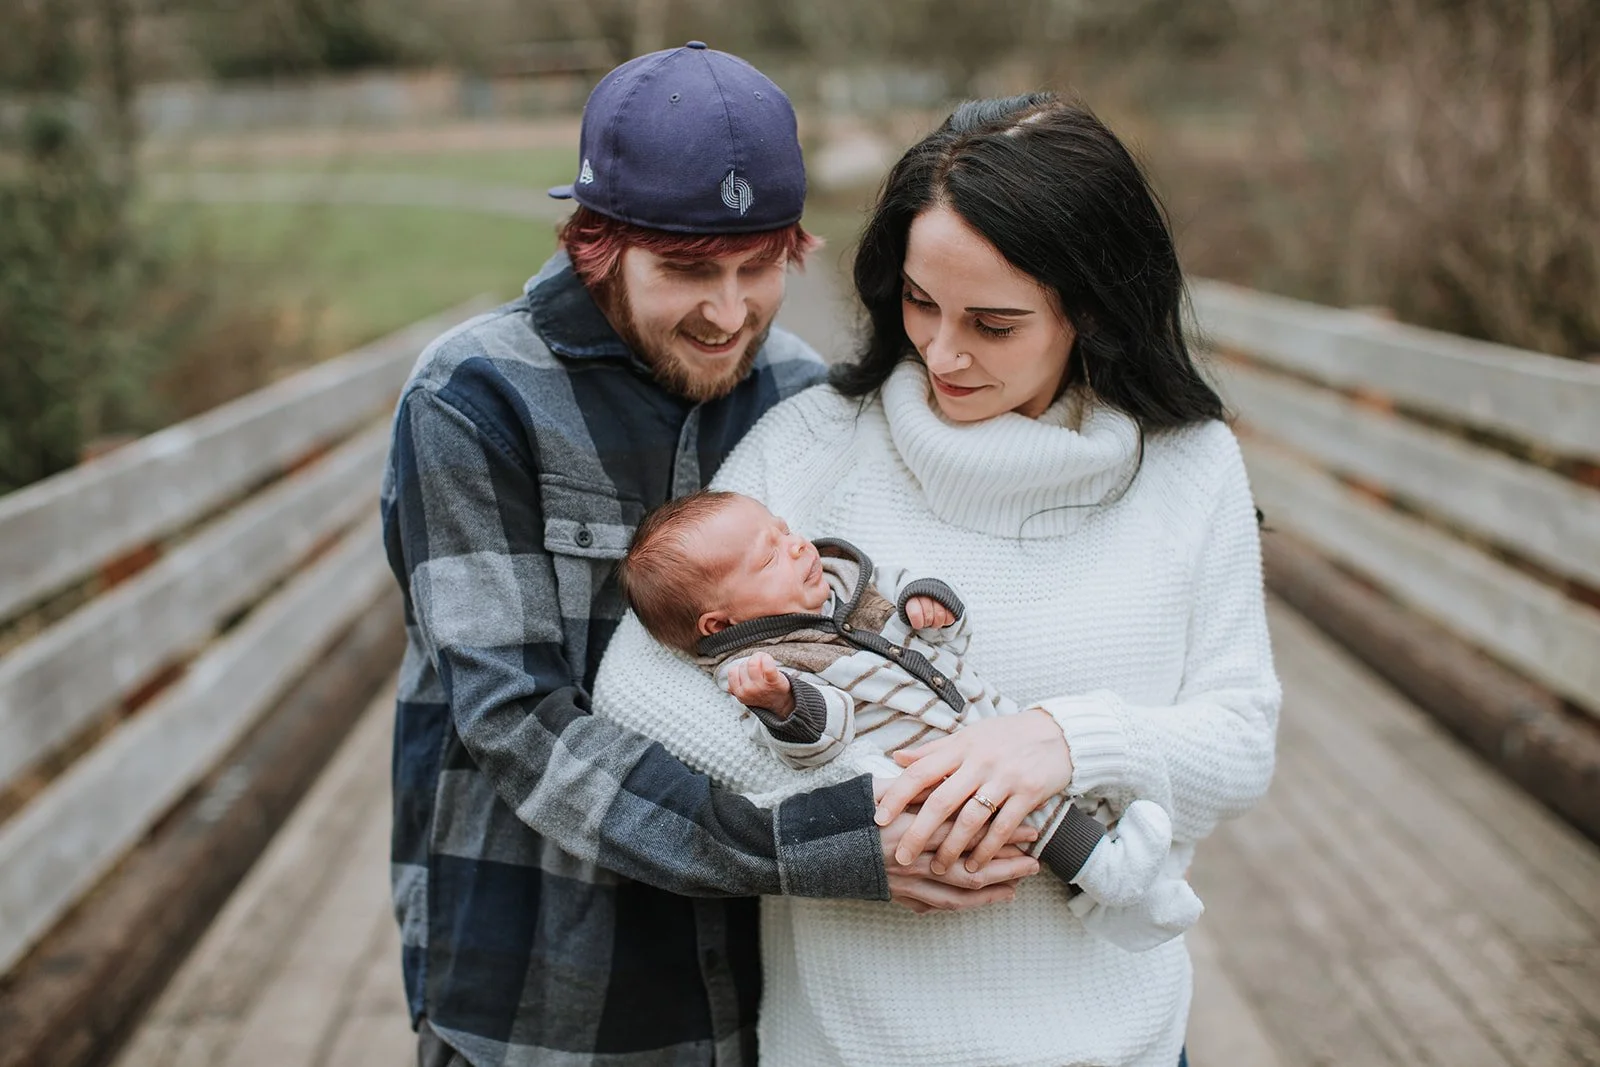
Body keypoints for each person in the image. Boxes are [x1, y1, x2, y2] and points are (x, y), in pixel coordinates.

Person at [379, 44, 1038, 1067]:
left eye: (758, 268)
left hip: (766, 977)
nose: (729, 313)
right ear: (596, 245)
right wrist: (813, 842)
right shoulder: (473, 398)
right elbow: (514, 720)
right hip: (546, 983)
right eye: (687, 270)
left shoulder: (797, 393)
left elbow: (854, 630)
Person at [593, 92, 1281, 1066]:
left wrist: (1063, 742)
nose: (942, 351)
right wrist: (863, 814)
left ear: (1088, 306)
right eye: (919, 302)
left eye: (992, 323)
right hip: (849, 1043)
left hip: (1115, 1041)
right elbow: (637, 682)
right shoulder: (812, 441)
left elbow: (1241, 738)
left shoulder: (1190, 464)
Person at [617, 488, 1205, 950]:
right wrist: (781, 704)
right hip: (935, 765)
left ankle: (1120, 902)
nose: (797, 545)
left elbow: (944, 638)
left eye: (784, 529)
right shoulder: (762, 668)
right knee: (1030, 816)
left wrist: (932, 605)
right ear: (719, 625)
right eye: (769, 555)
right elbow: (824, 738)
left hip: (982, 714)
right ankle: (1111, 877)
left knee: (1053, 783)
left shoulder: (847, 587)